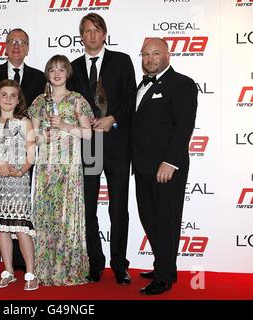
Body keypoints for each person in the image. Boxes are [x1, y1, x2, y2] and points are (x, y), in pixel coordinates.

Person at [69, 13, 136, 284]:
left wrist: (113, 119)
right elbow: (69, 104)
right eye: (86, 31)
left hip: (117, 145)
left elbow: (131, 96)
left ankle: (119, 264)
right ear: (81, 36)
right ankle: (94, 262)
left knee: (118, 207)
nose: (92, 35)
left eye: (97, 30)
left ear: (104, 34)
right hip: (88, 146)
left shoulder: (122, 61)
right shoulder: (72, 67)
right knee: (87, 208)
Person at [0, 28, 46, 278]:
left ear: (28, 48)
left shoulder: (38, 77)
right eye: (12, 42)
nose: (17, 46)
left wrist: (26, 166)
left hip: (21, 165)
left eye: (22, 42)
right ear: (5, 46)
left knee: (21, 223)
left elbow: (38, 118)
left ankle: (25, 268)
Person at [133, 38, 198, 295]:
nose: (149, 58)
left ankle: (163, 277)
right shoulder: (142, 85)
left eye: (155, 53)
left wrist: (170, 162)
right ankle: (165, 266)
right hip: (142, 166)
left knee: (166, 222)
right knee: (149, 218)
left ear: (168, 55)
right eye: (145, 54)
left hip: (166, 167)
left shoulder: (182, 84)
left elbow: (183, 127)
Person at [29, 55, 93, 286]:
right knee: (46, 215)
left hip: (70, 167)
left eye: (61, 69)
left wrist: (65, 126)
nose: (57, 73)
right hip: (46, 166)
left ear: (68, 73)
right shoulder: (39, 102)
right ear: (47, 73)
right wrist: (41, 136)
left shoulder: (77, 100)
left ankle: (67, 268)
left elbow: (88, 133)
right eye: (52, 69)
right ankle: (43, 268)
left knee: (67, 214)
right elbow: (32, 136)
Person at [0, 79, 38, 291]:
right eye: (4, 94)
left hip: (18, 181)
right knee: (2, 228)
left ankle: (31, 273)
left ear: (18, 100)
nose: (8, 99)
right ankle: (9, 271)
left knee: (21, 228)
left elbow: (32, 153)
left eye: (13, 95)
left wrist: (22, 170)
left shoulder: (25, 123)